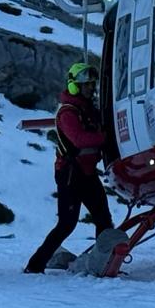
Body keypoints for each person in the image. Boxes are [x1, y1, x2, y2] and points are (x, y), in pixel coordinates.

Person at [24, 61, 116, 274]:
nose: (91, 89)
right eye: (87, 85)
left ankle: (103, 262)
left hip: (87, 172)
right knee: (67, 224)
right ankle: (35, 265)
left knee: (103, 218)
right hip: (71, 175)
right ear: (76, 86)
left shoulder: (87, 110)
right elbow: (79, 139)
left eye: (93, 85)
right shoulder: (68, 113)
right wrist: (105, 138)